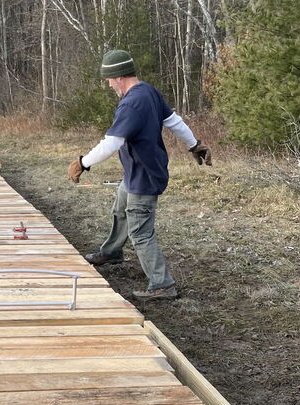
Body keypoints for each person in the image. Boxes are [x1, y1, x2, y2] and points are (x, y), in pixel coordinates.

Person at [67, 49, 210, 300]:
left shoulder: (133, 102)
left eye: (109, 79)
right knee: (120, 208)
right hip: (138, 172)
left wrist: (83, 162)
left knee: (141, 231)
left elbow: (112, 143)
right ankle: (111, 252)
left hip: (144, 176)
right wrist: (193, 145)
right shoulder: (148, 91)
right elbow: (174, 121)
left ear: (119, 76)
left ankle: (162, 284)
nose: (109, 84)